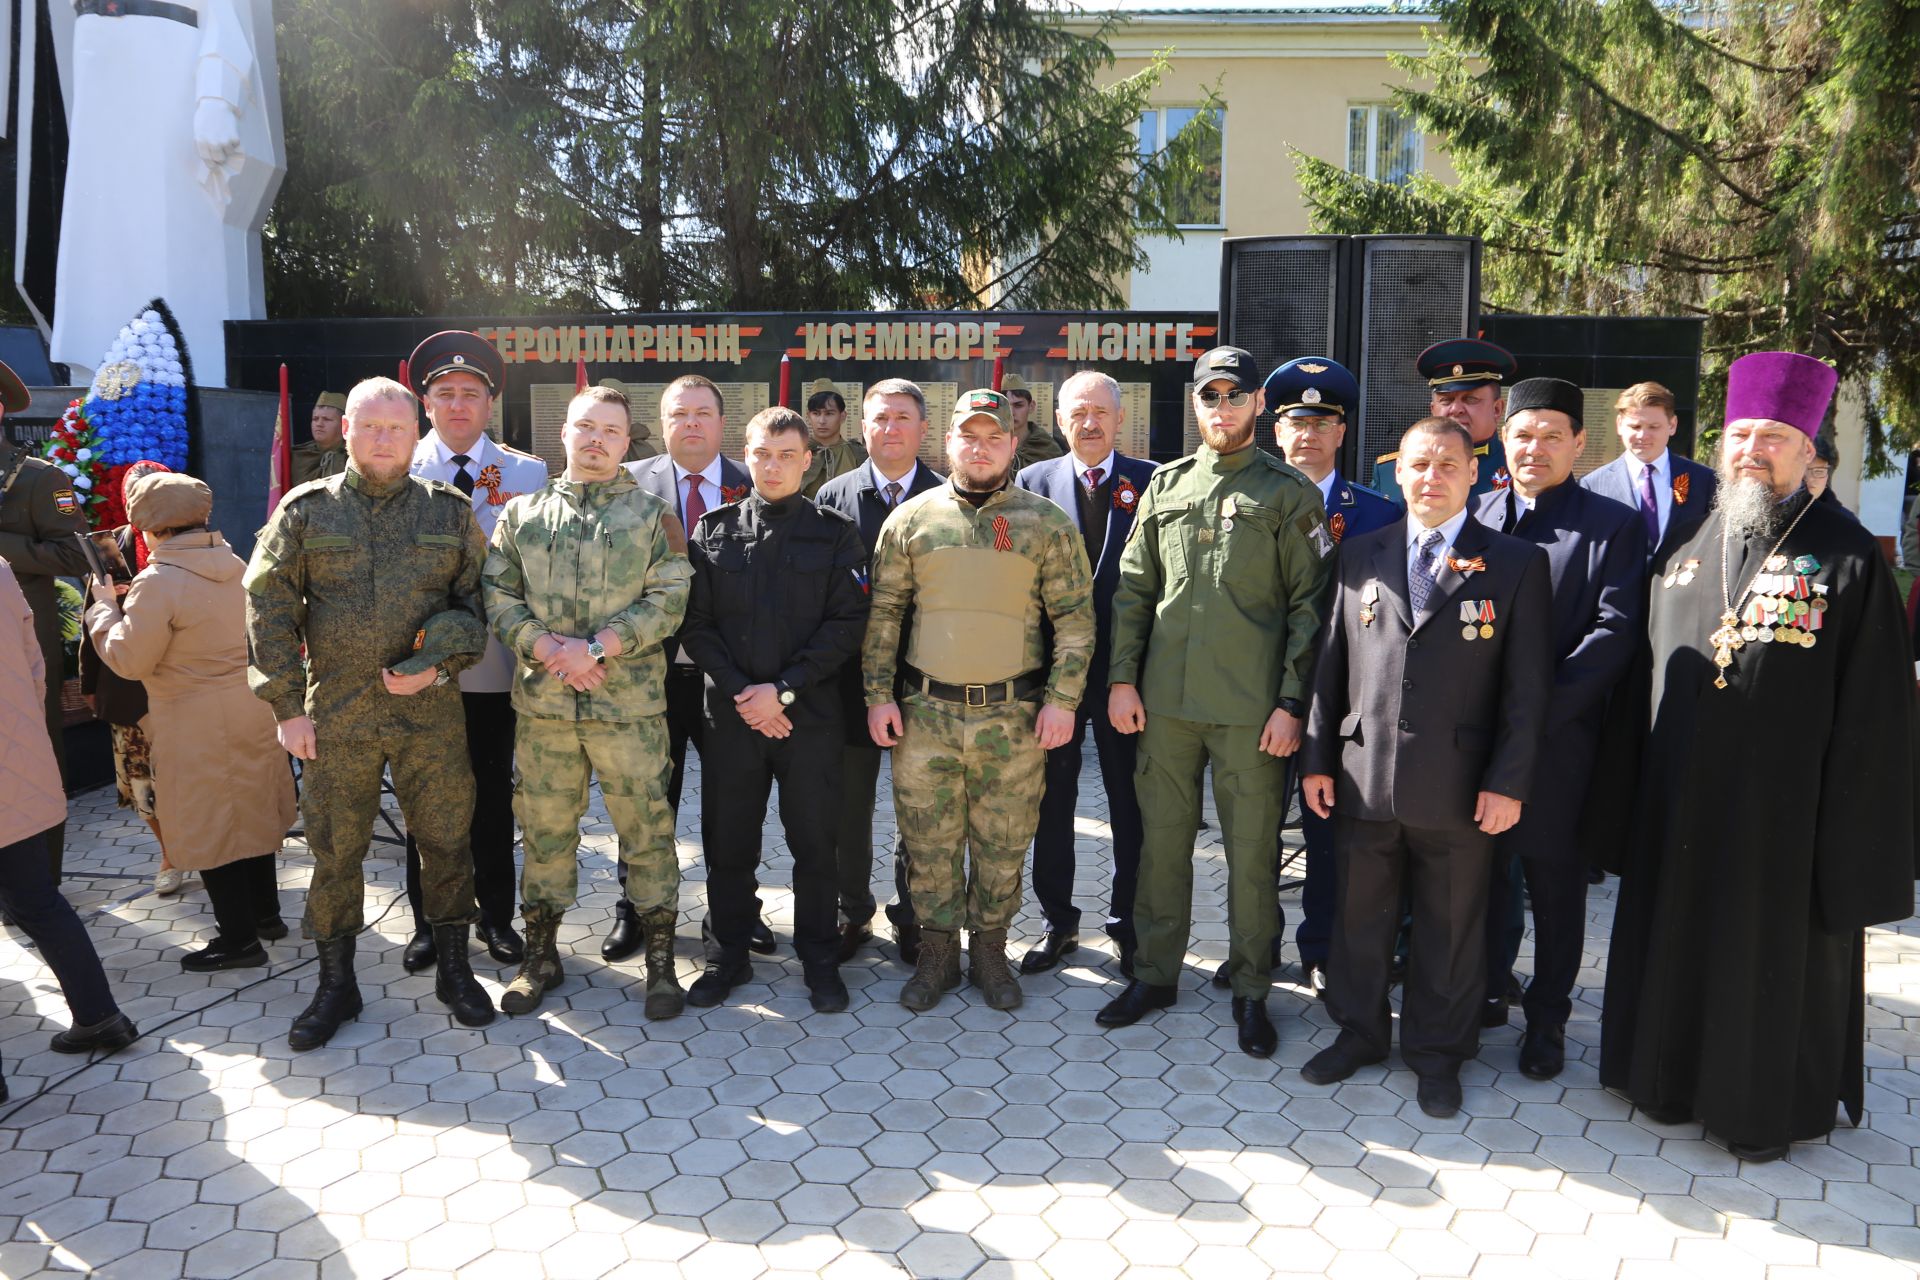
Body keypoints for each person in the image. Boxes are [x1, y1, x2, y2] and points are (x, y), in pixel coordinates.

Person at [1601, 351, 1920, 1162]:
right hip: (1681, 807)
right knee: (1678, 941)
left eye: (1773, 437)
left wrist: (1850, 842)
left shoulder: (1849, 560)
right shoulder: (1691, 545)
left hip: (1786, 823)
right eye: (1740, 432)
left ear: (1808, 450)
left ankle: (1757, 1110)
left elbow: (1878, 719)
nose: (1751, 449)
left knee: (1763, 962)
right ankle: (1664, 1082)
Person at [1300, 416, 1554, 1117]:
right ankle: (1358, 1032)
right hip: (1364, 777)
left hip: (1461, 786)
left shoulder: (1513, 563)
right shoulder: (1363, 555)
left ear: (1475, 473)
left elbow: (1527, 690)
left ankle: (1438, 1054)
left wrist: (1509, 781)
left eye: (1448, 464)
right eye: (1419, 464)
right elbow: (1330, 666)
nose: (1432, 477)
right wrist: (1318, 760)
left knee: (1451, 928)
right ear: (1398, 473)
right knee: (1359, 918)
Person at [245, 376, 496, 1050]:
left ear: (416, 435)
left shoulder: (448, 513)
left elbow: (477, 609)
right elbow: (268, 609)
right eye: (371, 426)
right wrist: (285, 708)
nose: (384, 439)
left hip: (431, 716)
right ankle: (336, 985)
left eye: (397, 427)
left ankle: (453, 968)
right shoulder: (305, 512)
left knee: (446, 840)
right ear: (347, 431)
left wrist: (440, 668)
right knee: (335, 852)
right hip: (337, 718)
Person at [1100, 346, 1335, 1058]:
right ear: (1196, 404)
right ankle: (1154, 974)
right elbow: (1134, 592)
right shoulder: (1165, 487)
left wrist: (1293, 703)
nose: (1223, 410)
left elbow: (1309, 609)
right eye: (1211, 397)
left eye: (1237, 397)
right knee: (1160, 846)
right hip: (1166, 706)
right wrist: (1120, 680)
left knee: (1252, 856)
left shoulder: (1290, 493)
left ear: (1259, 405)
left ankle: (1254, 989)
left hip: (1251, 713)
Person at [863, 388, 1095, 1012]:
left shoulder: (1045, 523)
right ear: (949, 442)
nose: (982, 447)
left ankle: (991, 950)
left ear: (1014, 444)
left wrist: (1063, 701)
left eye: (995, 437)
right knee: (929, 842)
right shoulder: (911, 520)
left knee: (1004, 841)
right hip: (925, 716)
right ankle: (937, 953)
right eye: (970, 436)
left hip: (1013, 718)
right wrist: (878, 698)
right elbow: (884, 615)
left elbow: (1074, 618)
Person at [483, 386, 693, 1020]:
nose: (596, 439)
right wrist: (548, 648)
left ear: (628, 443)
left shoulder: (656, 515)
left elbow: (670, 599)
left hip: (627, 711)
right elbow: (498, 593)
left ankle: (660, 961)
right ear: (565, 434)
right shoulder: (521, 516)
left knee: (647, 834)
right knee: (545, 833)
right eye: (585, 427)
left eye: (610, 430)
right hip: (546, 711)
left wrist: (596, 649)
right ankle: (540, 954)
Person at [1470, 379, 1645, 1077]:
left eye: (1550, 435)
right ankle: (1480, 992)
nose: (1533, 448)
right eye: (1521, 435)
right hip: (1473, 743)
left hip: (1558, 747)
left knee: (1554, 888)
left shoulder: (1611, 526)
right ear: (1501, 442)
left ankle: (1547, 1019)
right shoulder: (1477, 512)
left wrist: (1532, 716)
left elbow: (1614, 633)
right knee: (1475, 882)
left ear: (1579, 442)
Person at [680, 407, 869, 1012]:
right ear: (748, 454)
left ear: (807, 461)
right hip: (733, 720)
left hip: (809, 719)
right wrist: (747, 694)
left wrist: (781, 691)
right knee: (729, 843)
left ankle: (818, 957)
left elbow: (846, 625)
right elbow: (697, 625)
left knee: (815, 844)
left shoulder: (836, 534)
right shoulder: (713, 530)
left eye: (788, 455)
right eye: (763, 453)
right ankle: (727, 953)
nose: (775, 465)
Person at [1220, 356, 1397, 998]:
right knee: (1255, 831)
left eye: (1324, 421)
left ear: (1343, 432)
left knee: (1329, 836)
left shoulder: (1378, 514)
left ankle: (1320, 948)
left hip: (1343, 706)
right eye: (1297, 419)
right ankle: (1255, 946)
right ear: (1276, 428)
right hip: (1260, 697)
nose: (1310, 434)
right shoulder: (1242, 503)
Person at [85, 473, 297, 971]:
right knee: (253, 809)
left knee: (210, 825)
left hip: (191, 717)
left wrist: (102, 611)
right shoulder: (237, 563)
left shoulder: (157, 582)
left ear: (149, 529)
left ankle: (239, 940)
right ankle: (267, 916)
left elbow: (130, 660)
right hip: (251, 706)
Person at [398, 331, 549, 975]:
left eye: (470, 394)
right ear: (425, 403)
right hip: (421, 664)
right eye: (444, 393)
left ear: (490, 404)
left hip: (495, 663)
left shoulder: (528, 473)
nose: (457, 405)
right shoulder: (398, 467)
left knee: (491, 794)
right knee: (423, 797)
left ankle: (495, 918)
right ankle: (430, 922)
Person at [611, 375, 764, 963]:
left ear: (721, 424)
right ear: (663, 421)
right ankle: (637, 910)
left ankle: (736, 911)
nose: (691, 424)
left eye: (703, 414)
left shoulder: (753, 481)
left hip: (725, 676)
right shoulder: (629, 486)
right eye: (680, 414)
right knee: (646, 798)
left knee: (732, 801)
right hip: (647, 673)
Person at [1014, 371, 1157, 975]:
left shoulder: (1151, 482)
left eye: (1101, 411)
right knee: (1053, 800)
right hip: (1055, 678)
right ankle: (1058, 923)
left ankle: (1128, 922)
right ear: (1058, 417)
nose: (1090, 422)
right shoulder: (1031, 483)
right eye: (1078, 412)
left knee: (1130, 802)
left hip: (1126, 673)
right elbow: (1013, 569)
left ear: (1121, 419)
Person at [814, 381, 943, 965]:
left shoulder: (950, 496)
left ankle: (913, 915)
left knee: (920, 804)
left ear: (923, 428)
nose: (890, 429)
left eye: (902, 419)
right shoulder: (833, 497)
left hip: (927, 677)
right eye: (879, 419)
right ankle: (851, 911)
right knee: (849, 803)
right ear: (862, 428)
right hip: (849, 680)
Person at [1, 559, 139, 1102]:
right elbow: (36, 662)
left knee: (36, 903)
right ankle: (101, 1015)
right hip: (16, 761)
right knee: (39, 902)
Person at [78, 461, 187, 899]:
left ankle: (205, 846)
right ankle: (169, 854)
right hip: (127, 688)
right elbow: (92, 619)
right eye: (134, 493)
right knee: (142, 781)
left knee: (189, 777)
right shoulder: (109, 549)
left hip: (181, 688)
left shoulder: (188, 544)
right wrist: (89, 684)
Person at [0, 358, 90, 879]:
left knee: (35, 748)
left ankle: (39, 879)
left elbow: (77, 557)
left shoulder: (37, 480)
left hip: (18, 639)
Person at [1580, 382, 1718, 569]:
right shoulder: (1593, 485)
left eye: (1653, 427)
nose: (1643, 435)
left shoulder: (1704, 480)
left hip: (1679, 591)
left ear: (1672, 425)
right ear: (1619, 425)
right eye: (1635, 426)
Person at [1373, 339, 1518, 504]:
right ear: (1433, 410)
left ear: (1497, 409)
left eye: (1470, 399)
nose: (1456, 409)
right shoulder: (1389, 473)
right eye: (1446, 401)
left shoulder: (1518, 470)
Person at [798, 380, 868, 499]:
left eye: (829, 414)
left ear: (842, 416)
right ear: (809, 416)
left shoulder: (857, 454)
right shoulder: (797, 451)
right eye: (816, 413)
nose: (822, 421)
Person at [1006, 375, 1067, 471]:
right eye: (1005, 406)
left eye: (1018, 405)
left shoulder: (1046, 447)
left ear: (1031, 406)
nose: (1011, 412)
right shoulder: (989, 445)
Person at [289, 392, 348, 488]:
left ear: (343, 424)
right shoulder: (298, 455)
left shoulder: (354, 457)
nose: (319, 424)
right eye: (315, 419)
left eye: (327, 419)